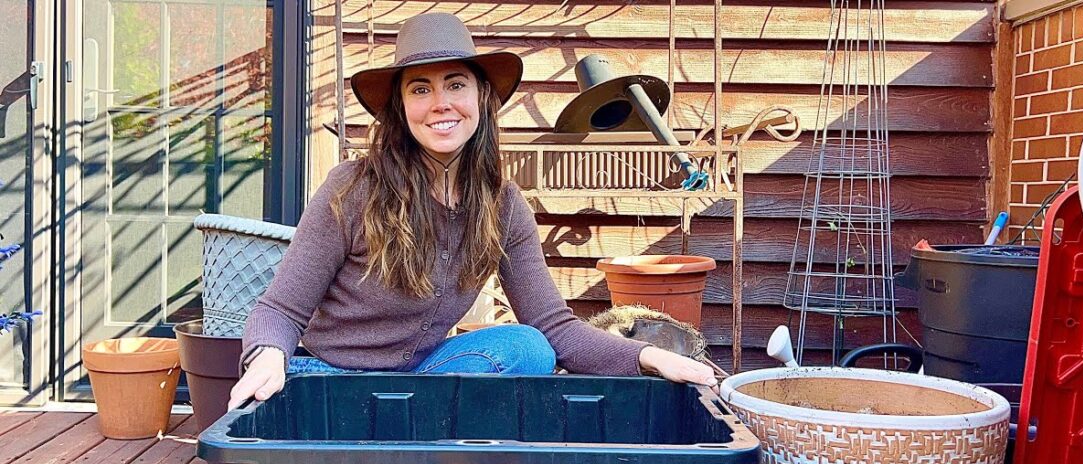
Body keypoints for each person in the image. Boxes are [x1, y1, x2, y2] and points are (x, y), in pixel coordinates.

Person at [227, 12, 716, 409]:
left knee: (527, 347)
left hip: (425, 381)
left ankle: (399, 435)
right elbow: (279, 309)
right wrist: (267, 357)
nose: (440, 103)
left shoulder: (502, 205)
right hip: (332, 380)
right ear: (401, 106)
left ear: (482, 96)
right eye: (420, 88)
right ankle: (395, 438)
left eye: (456, 84)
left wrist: (648, 356)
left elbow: (553, 327)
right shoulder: (352, 188)